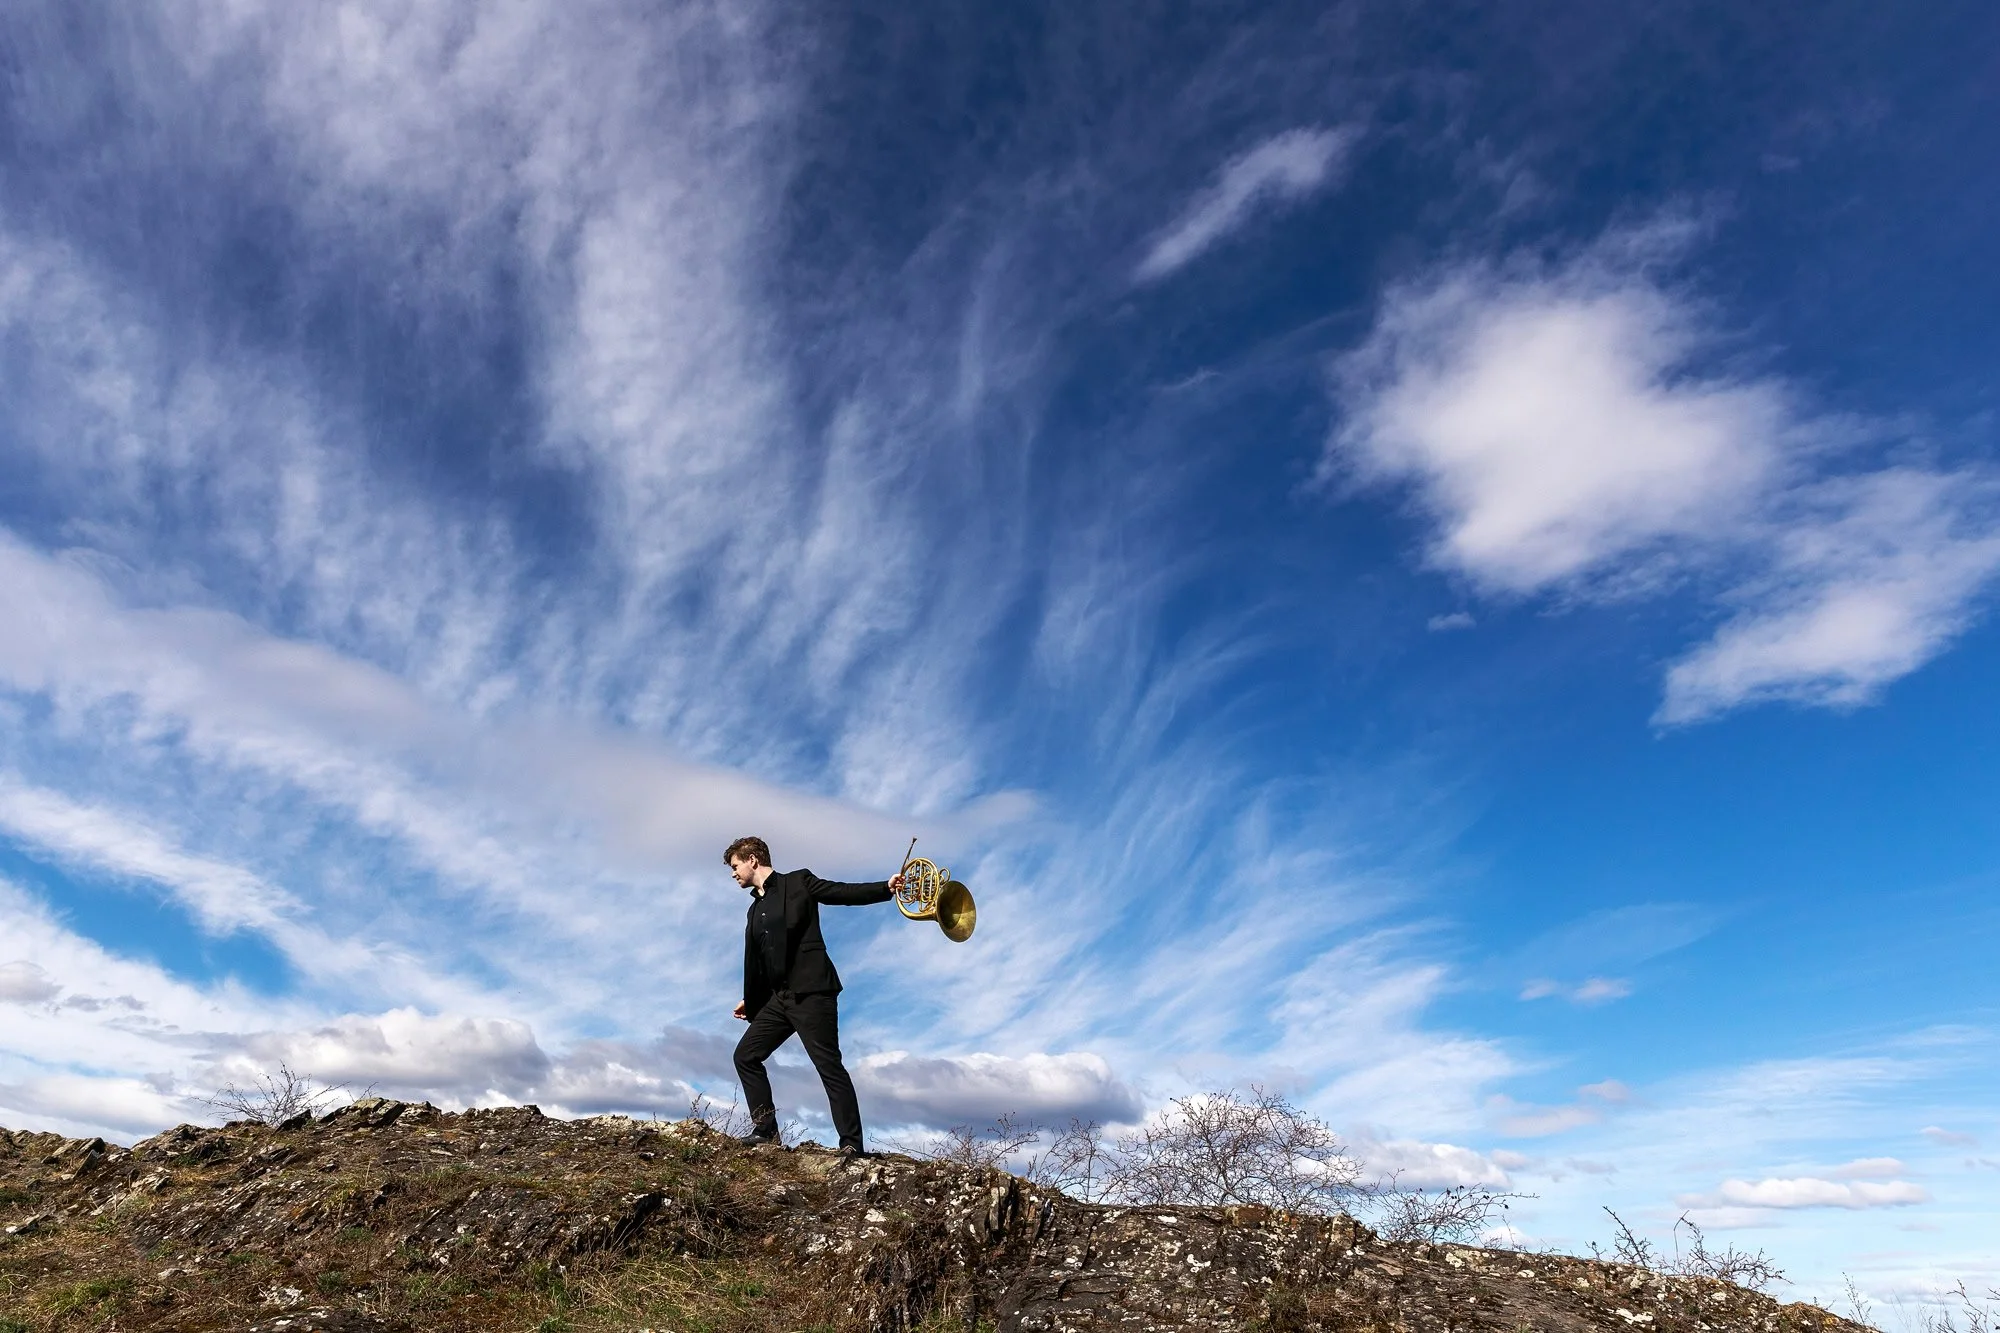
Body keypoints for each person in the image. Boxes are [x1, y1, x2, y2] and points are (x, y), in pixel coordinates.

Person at [723, 835, 901, 1154]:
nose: (733, 873)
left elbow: (842, 892)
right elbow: (760, 963)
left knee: (827, 1065)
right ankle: (766, 1131)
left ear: (752, 859)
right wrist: (752, 998)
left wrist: (884, 887)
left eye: (735, 866)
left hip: (813, 992)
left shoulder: (799, 882)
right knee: (746, 1055)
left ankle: (851, 1144)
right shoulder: (754, 911)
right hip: (780, 1000)